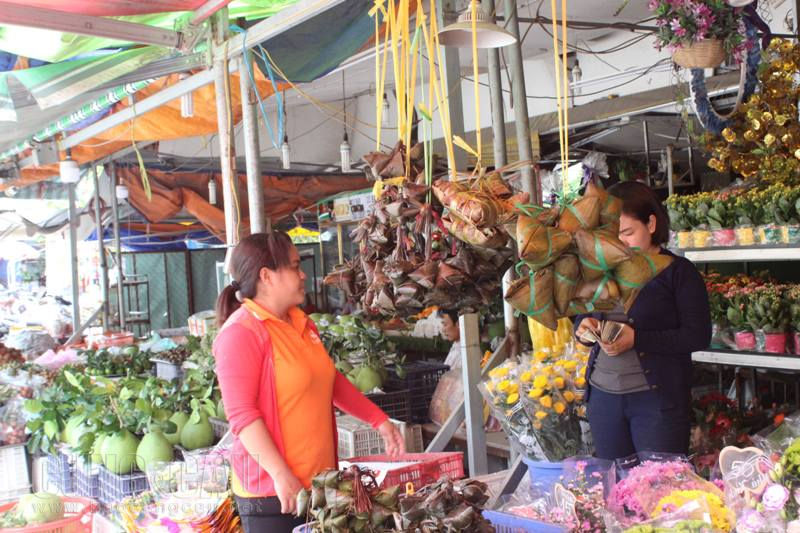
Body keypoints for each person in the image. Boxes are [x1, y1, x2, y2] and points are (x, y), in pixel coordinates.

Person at [213, 232, 405, 531]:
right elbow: (242, 417)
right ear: (267, 276)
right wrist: (280, 473)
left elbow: (328, 380)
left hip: (319, 485)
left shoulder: (302, 323)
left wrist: (379, 420)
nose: (303, 274)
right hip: (272, 493)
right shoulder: (241, 333)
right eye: (293, 266)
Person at [574, 181, 711, 461]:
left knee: (660, 493)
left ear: (650, 224)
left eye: (627, 232)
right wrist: (583, 327)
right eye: (614, 235)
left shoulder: (678, 273)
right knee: (614, 491)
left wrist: (637, 339)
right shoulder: (603, 271)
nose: (620, 242)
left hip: (656, 404)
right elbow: (582, 312)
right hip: (603, 399)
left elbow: (697, 335)